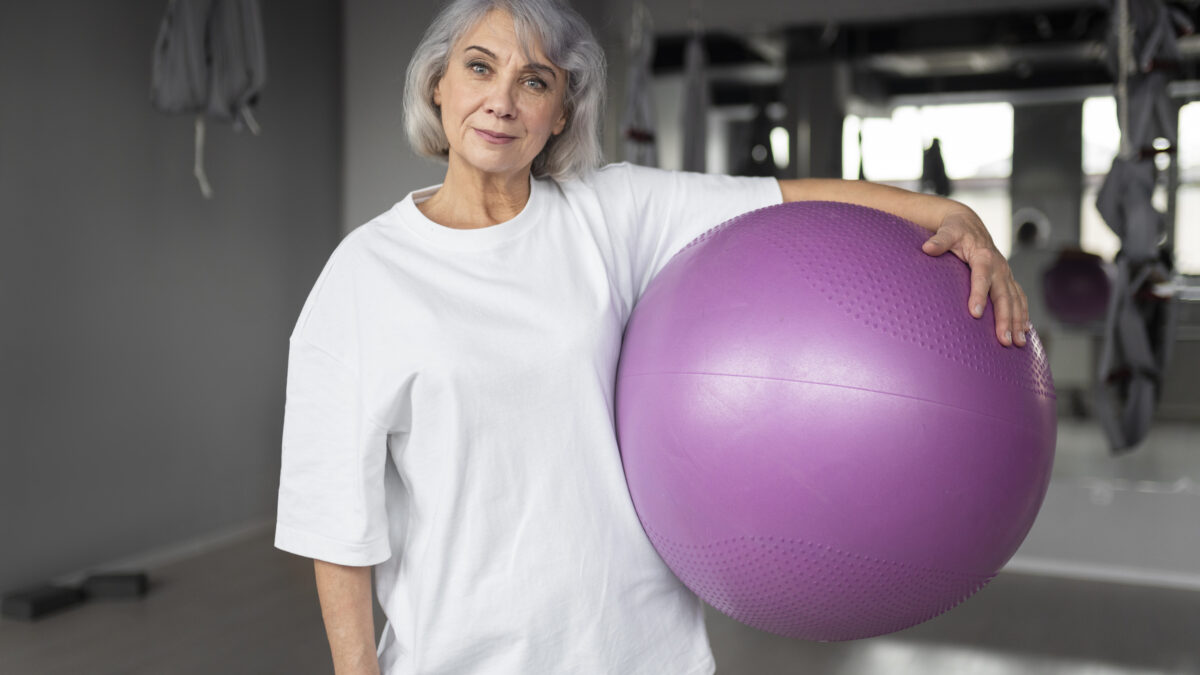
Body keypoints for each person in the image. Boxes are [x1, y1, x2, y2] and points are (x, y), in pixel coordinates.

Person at [273, 1, 1030, 673]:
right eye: (480, 68)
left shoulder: (609, 212)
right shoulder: (366, 275)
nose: (501, 101)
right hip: (462, 655)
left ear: (562, 112)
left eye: (535, 81)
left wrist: (940, 212)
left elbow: (786, 197)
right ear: (438, 84)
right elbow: (332, 515)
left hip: (639, 649)